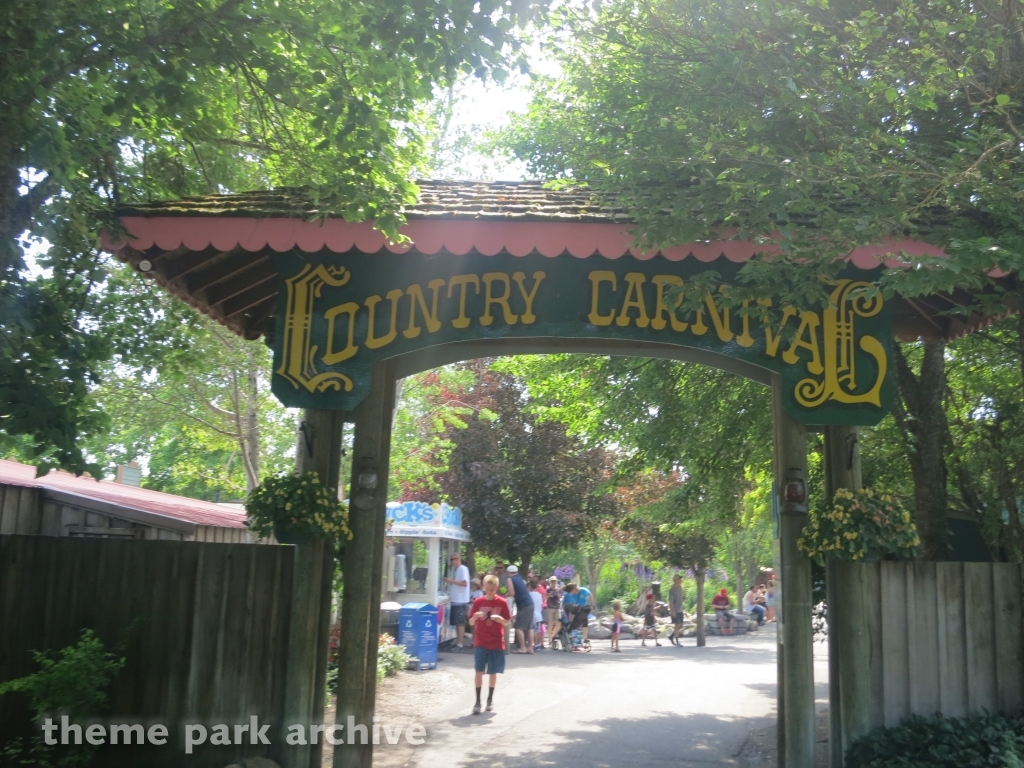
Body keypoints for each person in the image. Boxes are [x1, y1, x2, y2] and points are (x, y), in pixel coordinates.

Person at [468, 575, 511, 714]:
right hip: (481, 640)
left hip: (496, 641)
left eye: (492, 589)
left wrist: (500, 619)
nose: (490, 592)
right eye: (487, 589)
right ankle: (477, 701)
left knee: (492, 672)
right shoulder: (478, 602)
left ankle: (490, 699)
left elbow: (507, 622)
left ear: (497, 588)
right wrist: (475, 617)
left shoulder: (502, 603)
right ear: (483, 588)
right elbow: (470, 622)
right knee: (478, 671)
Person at [443, 551, 471, 650]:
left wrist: (451, 581)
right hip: (456, 600)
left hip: (461, 600)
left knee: (460, 623)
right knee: (456, 622)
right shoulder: (458, 570)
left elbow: (464, 583)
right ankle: (458, 642)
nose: (450, 562)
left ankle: (460, 644)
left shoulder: (463, 569)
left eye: (452, 560)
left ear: (457, 559)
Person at [505, 565, 535, 654]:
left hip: (523, 605)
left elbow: (512, 593)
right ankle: (530, 648)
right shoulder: (522, 579)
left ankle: (522, 647)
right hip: (530, 603)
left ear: (508, 572)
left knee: (518, 627)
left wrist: (504, 596)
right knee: (529, 627)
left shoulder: (510, 579)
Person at [544, 577, 562, 648]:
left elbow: (559, 598)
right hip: (550, 607)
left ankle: (552, 635)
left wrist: (559, 597)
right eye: (552, 581)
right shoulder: (548, 589)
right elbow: (545, 597)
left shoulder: (558, 590)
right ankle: (550, 638)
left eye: (555, 581)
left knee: (558, 623)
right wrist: (548, 596)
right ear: (550, 582)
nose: (554, 582)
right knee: (550, 623)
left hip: (557, 607)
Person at [668, 574, 685, 646]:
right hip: (675, 610)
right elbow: (671, 602)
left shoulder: (680, 588)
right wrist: (673, 611)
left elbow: (681, 597)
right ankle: (677, 641)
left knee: (680, 625)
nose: (681, 580)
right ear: (676, 580)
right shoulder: (672, 590)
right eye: (679, 579)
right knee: (677, 625)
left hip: (680, 609)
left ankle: (671, 636)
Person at [529, 579, 544, 650]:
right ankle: (538, 644)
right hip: (539, 614)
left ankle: (534, 644)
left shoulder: (529, 595)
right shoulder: (539, 595)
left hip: (532, 614)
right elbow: (541, 604)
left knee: (533, 630)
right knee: (537, 631)